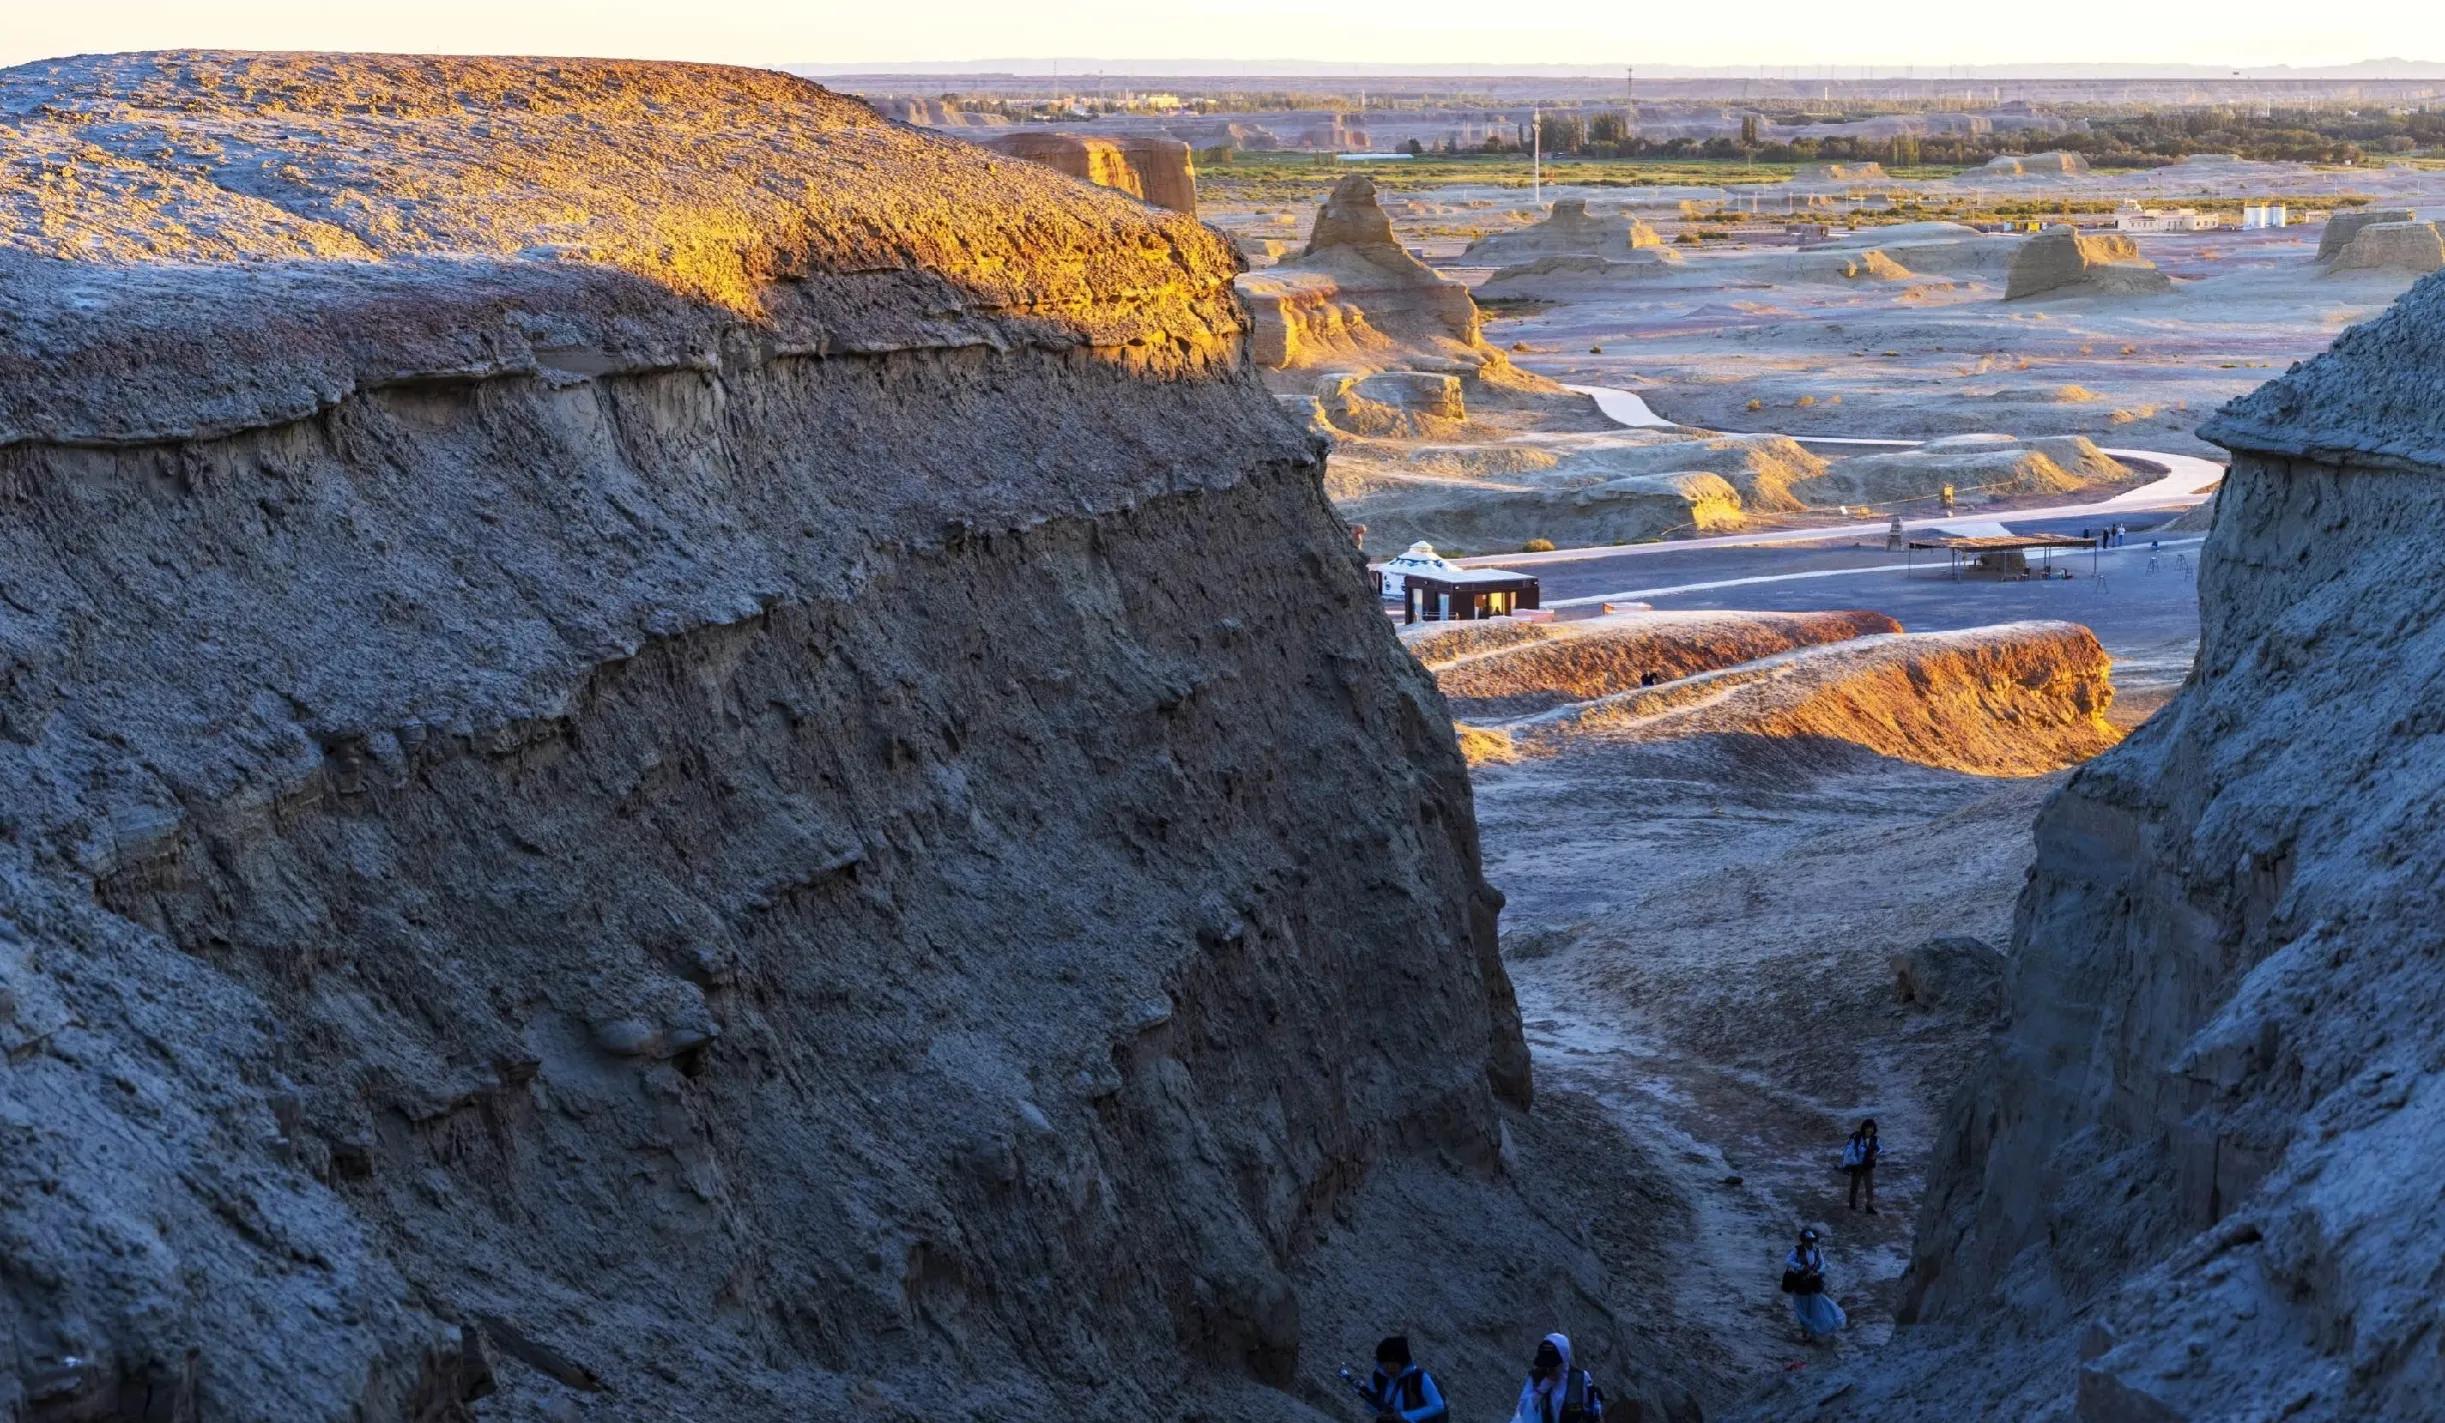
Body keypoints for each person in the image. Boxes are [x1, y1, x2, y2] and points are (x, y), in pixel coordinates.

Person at [1350, 1336, 1448, 1423]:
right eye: (1385, 1362)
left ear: (1402, 1362)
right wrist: (1380, 1411)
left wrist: (1405, 1416)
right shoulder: (1379, 1376)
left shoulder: (1419, 1378)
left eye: (1393, 1363)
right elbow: (1369, 1405)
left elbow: (1438, 1406)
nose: (1388, 1367)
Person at [1511, 1332, 1605, 1422]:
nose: (1549, 1366)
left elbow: (1594, 1411)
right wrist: (1544, 1385)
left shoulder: (1581, 1378)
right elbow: (1521, 1410)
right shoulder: (1536, 1377)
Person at [1782, 1229, 1846, 1344]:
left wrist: (1818, 1272)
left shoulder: (1817, 1251)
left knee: (1814, 1307)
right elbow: (1787, 1261)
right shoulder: (1797, 1250)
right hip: (1800, 1284)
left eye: (1812, 1241)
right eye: (1808, 1241)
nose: (1810, 1243)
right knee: (1801, 1309)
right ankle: (1805, 1332)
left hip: (1813, 1284)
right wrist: (1801, 1267)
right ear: (1803, 1241)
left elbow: (1822, 1264)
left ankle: (1810, 1331)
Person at [1841, 1119, 1881, 1213]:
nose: (1870, 1130)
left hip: (1868, 1166)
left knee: (1869, 1187)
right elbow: (1850, 1150)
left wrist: (1876, 1152)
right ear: (1864, 1128)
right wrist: (1853, 1162)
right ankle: (1852, 1204)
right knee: (1854, 1186)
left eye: (1872, 1128)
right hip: (1857, 1166)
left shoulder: (1875, 1139)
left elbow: (1880, 1148)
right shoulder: (1857, 1138)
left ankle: (1869, 1206)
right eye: (1868, 1128)